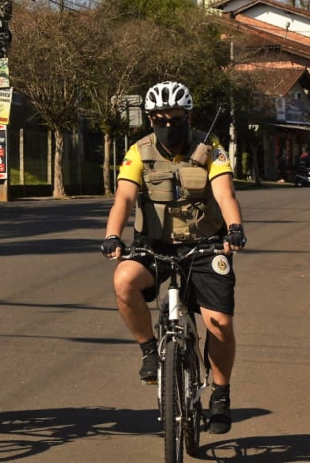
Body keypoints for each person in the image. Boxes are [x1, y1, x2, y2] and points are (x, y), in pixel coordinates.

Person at [100, 81, 246, 435]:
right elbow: (123, 198)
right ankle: (150, 350)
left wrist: (235, 228)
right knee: (124, 281)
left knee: (219, 323)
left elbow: (225, 194)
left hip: (205, 245)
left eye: (175, 117)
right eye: (160, 118)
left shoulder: (210, 148)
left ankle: (221, 394)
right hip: (155, 245)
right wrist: (112, 235)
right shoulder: (139, 152)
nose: (168, 124)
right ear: (150, 119)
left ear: (188, 116)